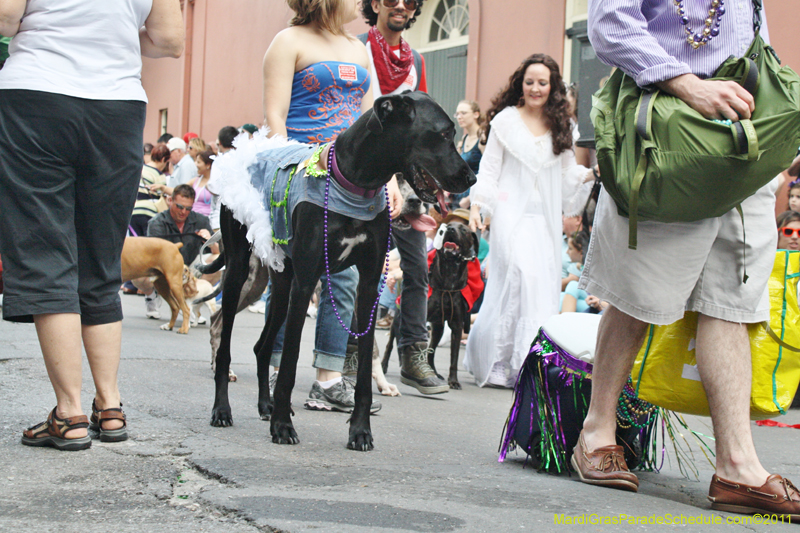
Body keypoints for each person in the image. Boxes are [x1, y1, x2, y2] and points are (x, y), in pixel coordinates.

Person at [574, 0, 800, 516]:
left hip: (742, 136)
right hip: (667, 133)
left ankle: (737, 466)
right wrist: (686, 83)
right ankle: (596, 431)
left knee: (731, 303)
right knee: (637, 294)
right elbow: (609, 23)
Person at [0, 0, 183, 451]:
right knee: (102, 259)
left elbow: (5, 18)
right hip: (117, 105)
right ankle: (110, 406)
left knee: (46, 252)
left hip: (37, 97)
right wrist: (112, 32)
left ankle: (70, 413)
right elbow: (169, 40)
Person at [258, 0, 402, 411]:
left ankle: (328, 377)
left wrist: (389, 177)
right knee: (288, 273)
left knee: (347, 276)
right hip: (304, 173)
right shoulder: (287, 42)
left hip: (354, 178)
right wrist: (291, 169)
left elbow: (374, 120)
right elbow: (275, 118)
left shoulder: (359, 50)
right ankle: (274, 365)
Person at [465, 54, 595, 388]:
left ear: (552, 87)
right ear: (520, 84)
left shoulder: (562, 126)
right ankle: (496, 359)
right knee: (516, 276)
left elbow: (567, 176)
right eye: (529, 81)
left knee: (539, 285)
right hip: (510, 213)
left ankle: (526, 362)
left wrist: (589, 175)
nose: (535, 88)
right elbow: (490, 169)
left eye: (542, 82)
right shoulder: (505, 122)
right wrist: (480, 206)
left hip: (544, 220)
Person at [359, 0, 450, 394]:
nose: (401, 5)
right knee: (357, 269)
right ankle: (349, 352)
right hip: (365, 173)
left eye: (410, 1)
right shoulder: (358, 49)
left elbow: (423, 124)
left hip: (408, 178)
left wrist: (433, 176)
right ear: (374, 4)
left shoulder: (416, 60)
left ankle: (413, 355)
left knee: (416, 269)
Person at [130, 143, 171, 238]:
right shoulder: (159, 175)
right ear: (163, 159)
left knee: (137, 244)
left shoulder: (140, 169)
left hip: (134, 211)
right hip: (149, 213)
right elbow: (164, 196)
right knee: (149, 246)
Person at [452, 100, 483, 210]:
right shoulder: (464, 139)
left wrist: (471, 198)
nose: (459, 117)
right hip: (459, 197)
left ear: (476, 114)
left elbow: (488, 173)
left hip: (474, 199)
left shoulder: (483, 138)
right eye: (457, 114)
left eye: (463, 113)